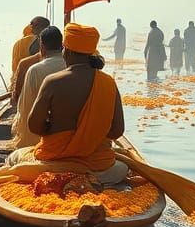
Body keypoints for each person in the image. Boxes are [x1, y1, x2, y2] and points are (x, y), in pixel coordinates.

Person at [10, 23, 126, 184]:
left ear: (68, 51)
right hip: (99, 169)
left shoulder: (52, 82)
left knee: (13, 158)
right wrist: (90, 134)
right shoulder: (108, 83)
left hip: (53, 166)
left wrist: (57, 132)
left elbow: (35, 126)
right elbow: (117, 131)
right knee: (122, 168)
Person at [11, 24, 65, 149]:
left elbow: (25, 108)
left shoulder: (34, 70)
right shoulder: (72, 66)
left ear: (42, 47)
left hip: (38, 138)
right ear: (62, 46)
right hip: (65, 136)